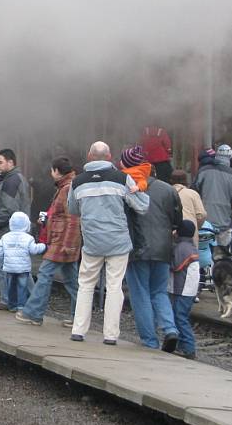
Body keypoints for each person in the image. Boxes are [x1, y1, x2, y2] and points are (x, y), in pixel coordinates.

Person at [68, 141, 149, 345]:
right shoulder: (122, 178)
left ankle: (78, 330)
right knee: (114, 287)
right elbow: (142, 205)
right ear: (110, 155)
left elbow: (73, 209)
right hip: (118, 242)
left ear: (89, 156)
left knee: (85, 284)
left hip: (92, 242)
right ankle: (110, 335)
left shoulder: (77, 182)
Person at [121, 147, 183, 351]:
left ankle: (150, 341)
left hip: (137, 248)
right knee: (159, 292)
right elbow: (177, 220)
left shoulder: (125, 187)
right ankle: (170, 328)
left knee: (140, 294)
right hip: (163, 248)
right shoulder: (168, 189)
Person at [16, 156, 81, 327]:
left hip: (62, 242)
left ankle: (33, 313)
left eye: (52, 170)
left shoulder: (67, 189)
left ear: (57, 172)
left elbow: (72, 218)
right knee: (72, 281)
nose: (51, 173)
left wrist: (67, 244)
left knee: (45, 275)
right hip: (64, 241)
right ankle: (79, 317)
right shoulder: (67, 187)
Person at [0, 148, 31, 310]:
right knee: (21, 267)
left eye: (0, 162)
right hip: (18, 231)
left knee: (0, 266)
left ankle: (8, 300)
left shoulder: (10, 182)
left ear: (10, 163)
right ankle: (30, 300)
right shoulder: (17, 178)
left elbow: (9, 209)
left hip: (8, 231)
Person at [192, 144, 232, 256]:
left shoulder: (203, 171)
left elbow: (194, 190)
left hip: (205, 221)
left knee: (205, 253)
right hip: (224, 221)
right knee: (224, 256)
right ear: (230, 157)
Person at [0, 212, 46, 312]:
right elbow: (34, 250)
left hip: (9, 268)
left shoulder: (5, 237)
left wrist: (4, 259)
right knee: (22, 287)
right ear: (27, 224)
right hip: (23, 269)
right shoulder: (28, 238)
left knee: (11, 287)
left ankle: (12, 306)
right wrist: (44, 246)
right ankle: (21, 306)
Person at [168, 219, 200, 359]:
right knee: (181, 316)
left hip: (182, 289)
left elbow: (175, 266)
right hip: (189, 290)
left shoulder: (181, 248)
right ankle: (182, 346)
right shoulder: (190, 246)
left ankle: (189, 348)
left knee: (180, 317)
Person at [170, 170, 207, 248]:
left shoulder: (166, 192)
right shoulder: (192, 194)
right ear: (186, 180)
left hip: (170, 235)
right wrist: (194, 227)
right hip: (189, 236)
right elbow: (202, 214)